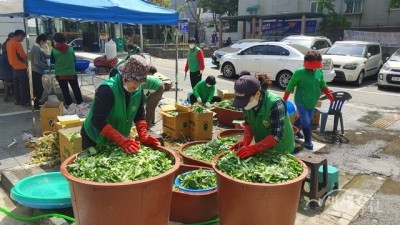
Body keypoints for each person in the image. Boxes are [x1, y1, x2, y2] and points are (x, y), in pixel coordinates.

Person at [81, 55, 160, 153]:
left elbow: (139, 115)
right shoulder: (107, 90)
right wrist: (121, 140)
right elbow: (97, 120)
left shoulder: (137, 90)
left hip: (117, 139)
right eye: (135, 82)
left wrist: (143, 134)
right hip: (95, 138)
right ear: (125, 76)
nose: (137, 86)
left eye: (140, 82)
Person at [230, 74, 295, 159]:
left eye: (245, 101)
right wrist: (246, 140)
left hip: (281, 150)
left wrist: (254, 148)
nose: (243, 105)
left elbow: (276, 136)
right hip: (262, 148)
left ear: (257, 94)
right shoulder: (247, 103)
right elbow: (248, 123)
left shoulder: (275, 104)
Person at [282, 50, 334, 150]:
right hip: (301, 101)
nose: (311, 70)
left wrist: (329, 94)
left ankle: (294, 130)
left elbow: (322, 84)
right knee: (306, 121)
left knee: (306, 119)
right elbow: (290, 86)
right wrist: (284, 99)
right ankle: (308, 142)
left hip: (312, 101)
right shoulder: (299, 72)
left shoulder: (319, 72)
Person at [51, 32, 83, 107]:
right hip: (72, 73)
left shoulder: (54, 50)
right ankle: (81, 104)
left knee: (65, 91)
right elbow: (74, 60)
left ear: (55, 40)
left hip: (60, 74)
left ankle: (70, 106)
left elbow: (52, 61)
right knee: (76, 90)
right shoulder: (71, 49)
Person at [7, 30, 30, 106]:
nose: (22, 39)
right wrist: (27, 58)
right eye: (22, 37)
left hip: (13, 67)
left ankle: (17, 100)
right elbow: (22, 55)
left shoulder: (9, 43)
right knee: (23, 85)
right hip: (21, 67)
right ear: (19, 35)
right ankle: (24, 101)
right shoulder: (17, 44)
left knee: (16, 85)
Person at [30, 34, 48, 109]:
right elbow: (37, 61)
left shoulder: (36, 48)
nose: (45, 44)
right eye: (45, 42)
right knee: (39, 89)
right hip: (36, 71)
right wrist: (45, 65)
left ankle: (36, 102)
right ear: (41, 41)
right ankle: (36, 103)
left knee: (37, 88)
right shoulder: (36, 49)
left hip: (35, 71)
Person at [0, 32, 14, 98]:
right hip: (7, 74)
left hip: (3, 73)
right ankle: (15, 94)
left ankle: (9, 93)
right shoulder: (9, 44)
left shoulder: (2, 55)